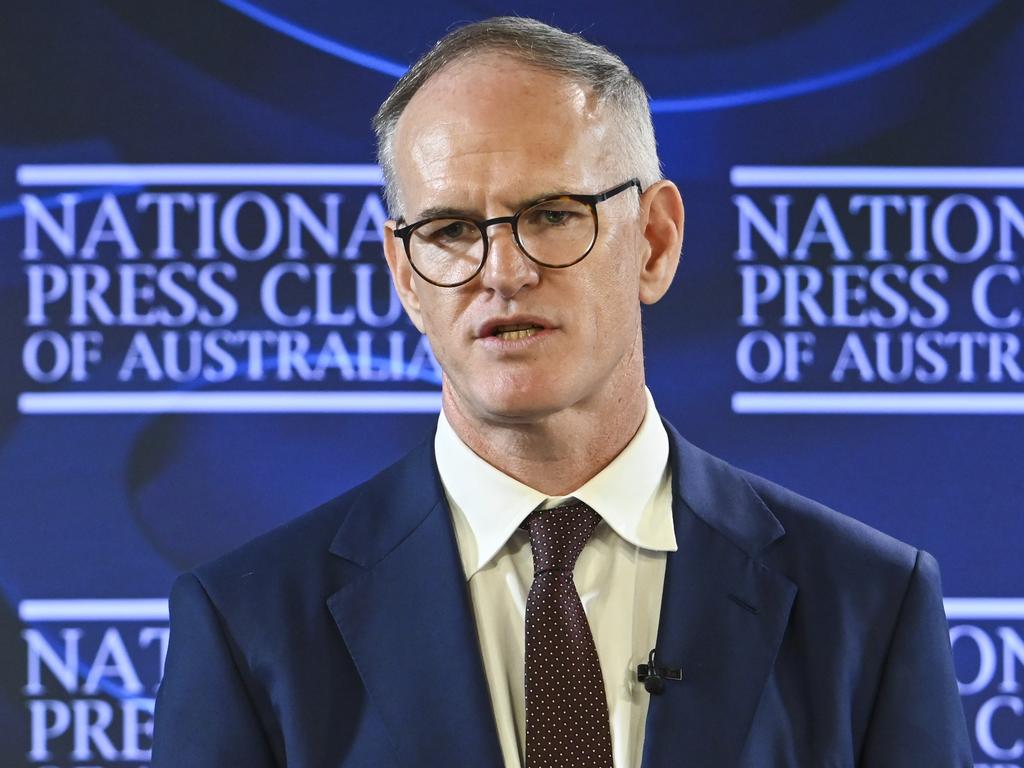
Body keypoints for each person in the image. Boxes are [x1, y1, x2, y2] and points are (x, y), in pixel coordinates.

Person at [151, 17, 972, 768]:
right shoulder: (247, 627)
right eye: (449, 231)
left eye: (551, 215)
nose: (502, 272)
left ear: (653, 242)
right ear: (405, 276)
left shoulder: (869, 606)